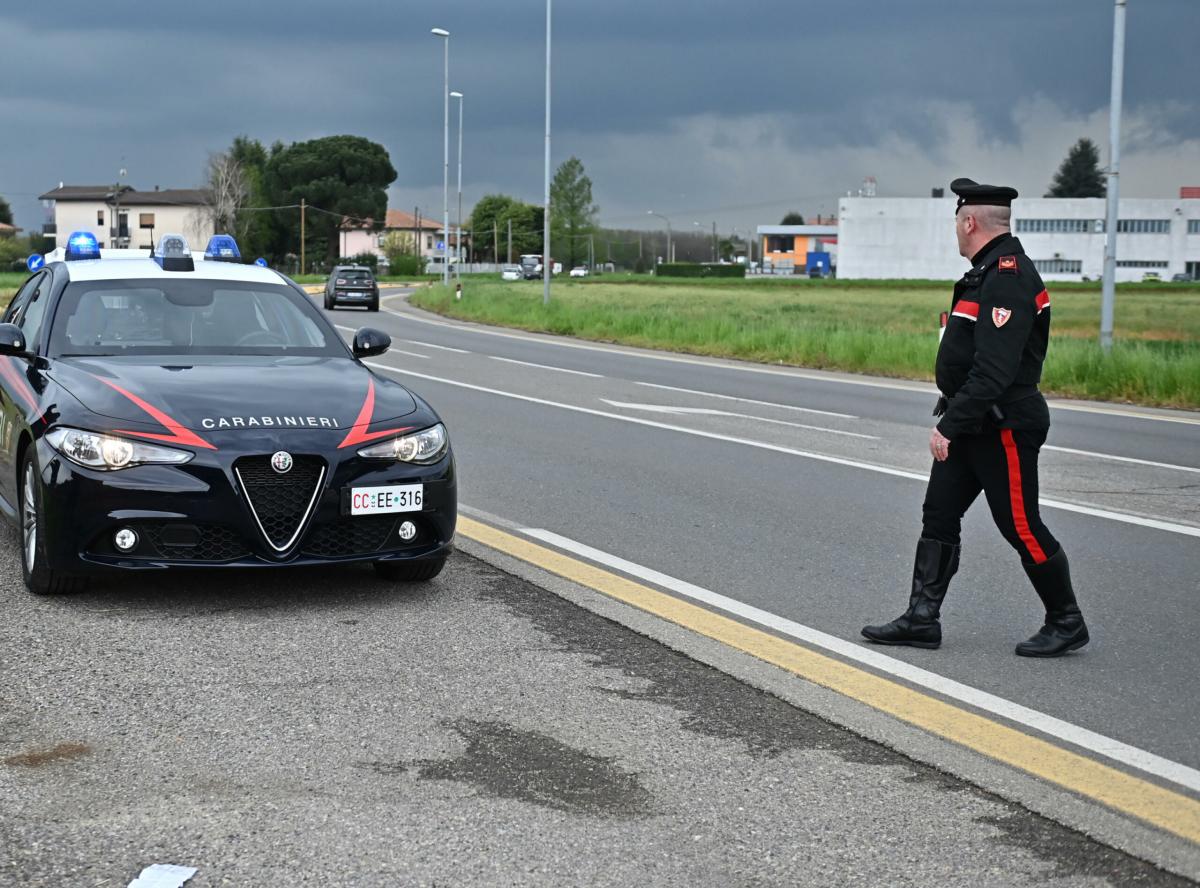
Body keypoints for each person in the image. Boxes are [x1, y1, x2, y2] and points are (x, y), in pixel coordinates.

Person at [861, 178, 1088, 658]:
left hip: (1002, 423)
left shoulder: (1008, 278)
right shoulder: (983, 273)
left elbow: (994, 371)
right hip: (974, 421)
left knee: (1019, 525)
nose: (956, 232)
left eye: (957, 224)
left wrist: (949, 424)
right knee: (939, 514)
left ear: (969, 222)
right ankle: (922, 618)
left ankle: (1066, 620)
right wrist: (957, 419)